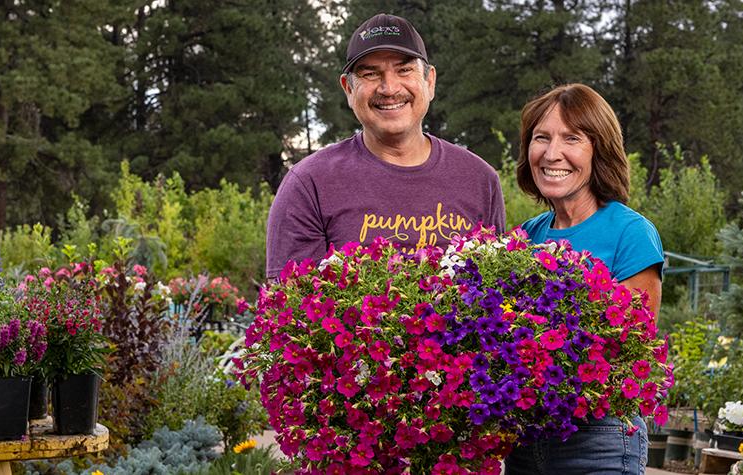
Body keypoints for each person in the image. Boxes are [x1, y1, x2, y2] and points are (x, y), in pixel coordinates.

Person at [265, 13, 505, 278]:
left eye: (404, 70)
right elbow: (289, 308)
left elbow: (494, 291)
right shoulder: (309, 184)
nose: (389, 88)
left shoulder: (479, 179)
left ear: (430, 81)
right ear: (348, 89)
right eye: (370, 74)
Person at [505, 83, 663, 474]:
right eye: (541, 138)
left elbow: (629, 349)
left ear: (599, 149)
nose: (552, 153)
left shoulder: (630, 233)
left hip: (599, 440)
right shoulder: (524, 236)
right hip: (526, 440)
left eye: (571, 138)